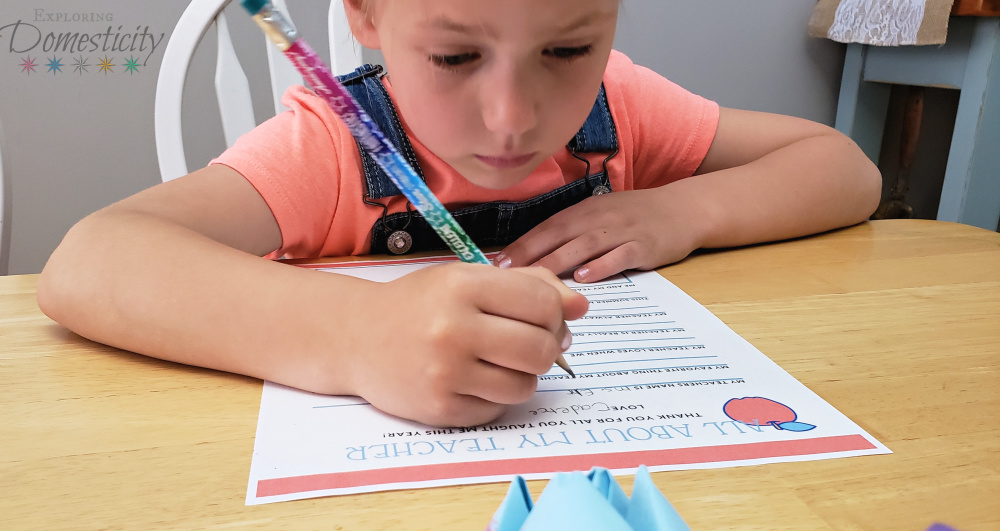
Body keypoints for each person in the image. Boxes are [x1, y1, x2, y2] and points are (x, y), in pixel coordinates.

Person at [37, 0, 881, 427]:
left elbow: (843, 168)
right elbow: (92, 259)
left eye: (566, 49)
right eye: (454, 55)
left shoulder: (621, 112)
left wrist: (684, 208)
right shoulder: (332, 147)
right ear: (367, 14)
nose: (513, 117)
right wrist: (356, 337)